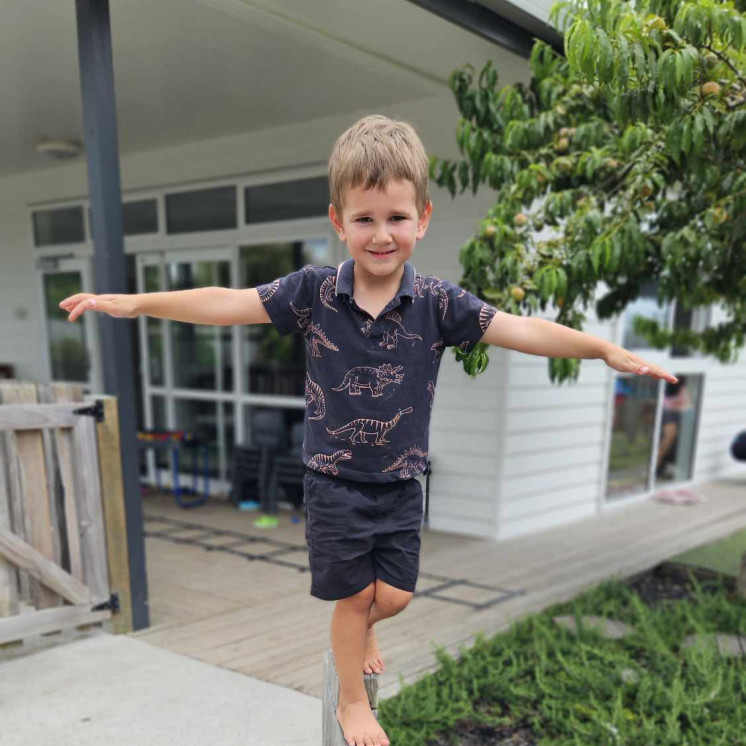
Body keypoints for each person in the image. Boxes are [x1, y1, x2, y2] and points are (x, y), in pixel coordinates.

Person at [60, 114, 678, 746]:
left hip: (403, 484)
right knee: (353, 601)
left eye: (396, 219)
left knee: (395, 597)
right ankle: (352, 704)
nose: (381, 236)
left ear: (423, 218)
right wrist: (137, 303)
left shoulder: (440, 304)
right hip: (335, 485)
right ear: (339, 221)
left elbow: (521, 328)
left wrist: (602, 349)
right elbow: (227, 301)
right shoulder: (313, 294)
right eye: (364, 220)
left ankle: (366, 623)